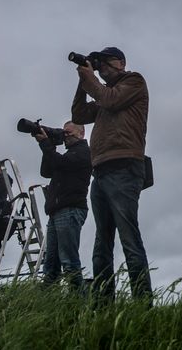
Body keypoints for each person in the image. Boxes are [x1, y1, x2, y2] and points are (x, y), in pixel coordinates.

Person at [71, 46, 152, 301]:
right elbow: (79, 115)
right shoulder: (103, 94)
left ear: (122, 62)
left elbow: (110, 99)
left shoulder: (133, 81)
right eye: (99, 63)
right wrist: (83, 79)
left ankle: (142, 303)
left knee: (129, 239)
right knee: (101, 243)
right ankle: (104, 303)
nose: (102, 66)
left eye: (107, 61)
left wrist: (90, 78)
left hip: (124, 166)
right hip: (102, 170)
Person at [36, 121, 92, 290]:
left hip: (70, 209)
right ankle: (50, 305)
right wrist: (49, 145)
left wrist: (46, 144)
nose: (65, 136)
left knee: (69, 262)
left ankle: (77, 305)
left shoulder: (84, 152)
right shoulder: (66, 155)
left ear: (81, 133)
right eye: (64, 133)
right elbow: (46, 172)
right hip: (57, 212)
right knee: (51, 265)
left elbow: (60, 163)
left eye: (68, 132)